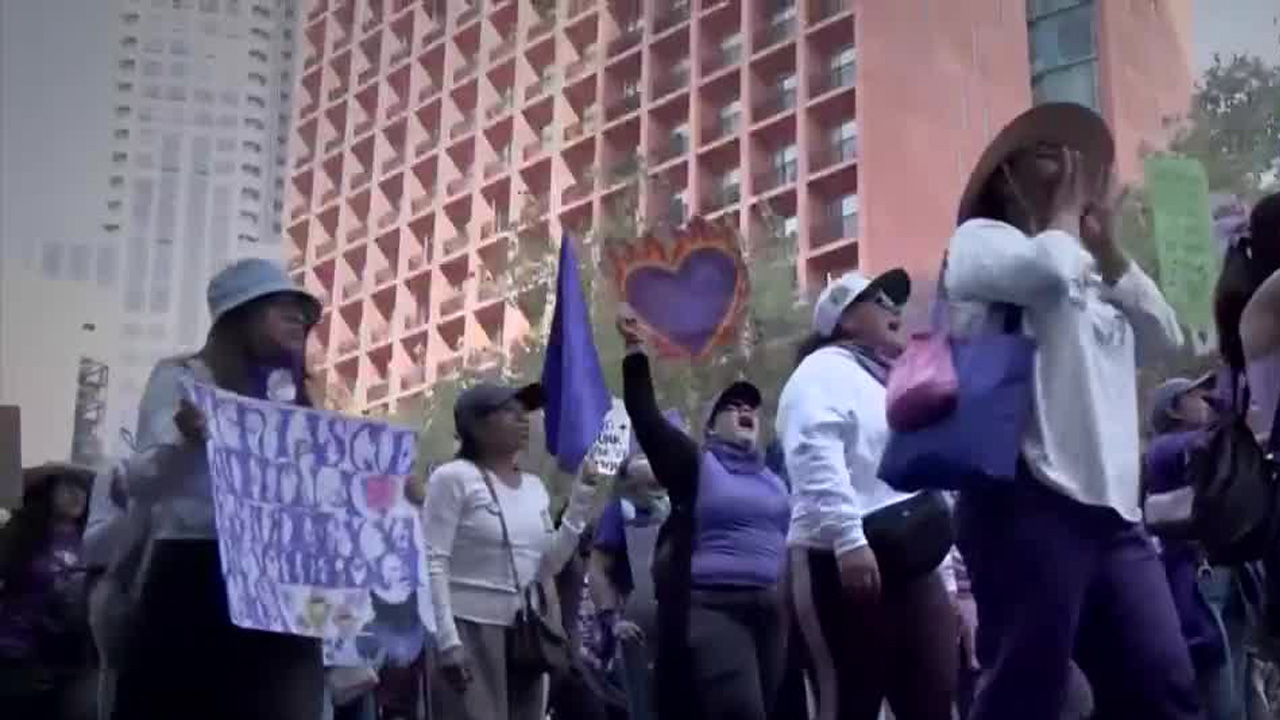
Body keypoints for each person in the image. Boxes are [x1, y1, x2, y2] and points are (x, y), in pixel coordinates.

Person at [944, 102, 1196, 719]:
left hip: (1115, 512)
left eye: (1074, 157)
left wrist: (1109, 250)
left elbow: (1167, 336)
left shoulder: (1091, 265)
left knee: (1163, 681)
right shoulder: (980, 244)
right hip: (1029, 500)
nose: (1070, 167)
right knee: (1025, 692)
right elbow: (1046, 276)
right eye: (1047, 154)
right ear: (1005, 178)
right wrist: (1061, 219)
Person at [111, 258, 326, 720]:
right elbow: (138, 480)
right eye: (282, 307)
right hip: (195, 570)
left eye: (303, 313)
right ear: (239, 315)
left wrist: (391, 491)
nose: (299, 320)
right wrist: (183, 441)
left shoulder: (295, 399)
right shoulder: (182, 378)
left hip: (280, 578)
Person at [777, 268, 959, 720]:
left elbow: (926, 476)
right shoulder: (819, 373)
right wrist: (848, 540)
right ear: (846, 320)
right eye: (879, 300)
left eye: (895, 301)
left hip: (916, 565)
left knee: (934, 699)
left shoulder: (894, 380)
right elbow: (813, 451)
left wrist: (950, 580)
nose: (894, 308)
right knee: (849, 703)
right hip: (842, 565)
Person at [616, 310, 791, 720]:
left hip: (770, 613)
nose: (745, 409)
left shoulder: (775, 480)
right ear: (710, 429)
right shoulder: (695, 465)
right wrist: (635, 350)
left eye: (751, 406)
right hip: (713, 609)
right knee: (741, 713)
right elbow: (647, 418)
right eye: (732, 406)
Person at [423, 381, 601, 720]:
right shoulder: (452, 478)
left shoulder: (534, 488)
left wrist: (580, 499)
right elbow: (434, 560)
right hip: (468, 632)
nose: (524, 421)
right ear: (476, 424)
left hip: (525, 636)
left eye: (526, 414)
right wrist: (448, 641)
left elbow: (548, 564)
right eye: (509, 412)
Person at [1144, 375, 1246, 720]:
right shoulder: (1167, 447)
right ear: (1173, 409)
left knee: (1243, 688)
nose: (1206, 397)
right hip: (1198, 579)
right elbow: (1228, 446)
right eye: (1195, 393)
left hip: (1224, 575)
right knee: (1222, 698)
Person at [0, 463, 95, 720]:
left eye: (83, 489)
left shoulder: (94, 537)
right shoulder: (20, 534)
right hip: (16, 655)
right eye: (68, 486)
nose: (77, 495)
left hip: (67, 659)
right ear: (46, 491)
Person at [589, 450, 672, 720]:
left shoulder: (678, 507)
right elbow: (598, 569)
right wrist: (612, 620)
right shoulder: (618, 513)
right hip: (633, 631)